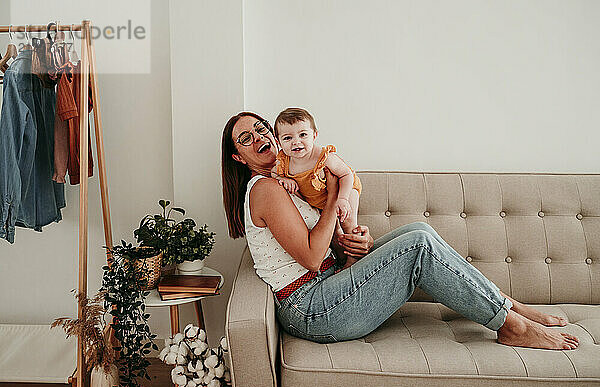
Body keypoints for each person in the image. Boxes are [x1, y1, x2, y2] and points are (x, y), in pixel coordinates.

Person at [221, 111, 579, 350]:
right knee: (418, 244)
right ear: (238, 158)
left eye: (261, 128)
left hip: (330, 284)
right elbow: (312, 259)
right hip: (312, 307)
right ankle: (511, 326)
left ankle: (509, 306)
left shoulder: (288, 182)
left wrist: (358, 245)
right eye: (245, 139)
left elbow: (324, 245)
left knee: (419, 229)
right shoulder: (264, 190)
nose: (258, 137)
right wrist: (332, 195)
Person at [270, 107, 362, 270]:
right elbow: (273, 174)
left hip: (344, 189)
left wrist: (342, 199)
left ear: (315, 135)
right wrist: (282, 178)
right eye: (288, 138)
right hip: (323, 202)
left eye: (303, 135)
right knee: (332, 233)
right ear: (278, 142)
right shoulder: (283, 163)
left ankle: (354, 259)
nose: (296, 142)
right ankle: (341, 259)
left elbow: (346, 174)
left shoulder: (323, 157)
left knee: (347, 223)